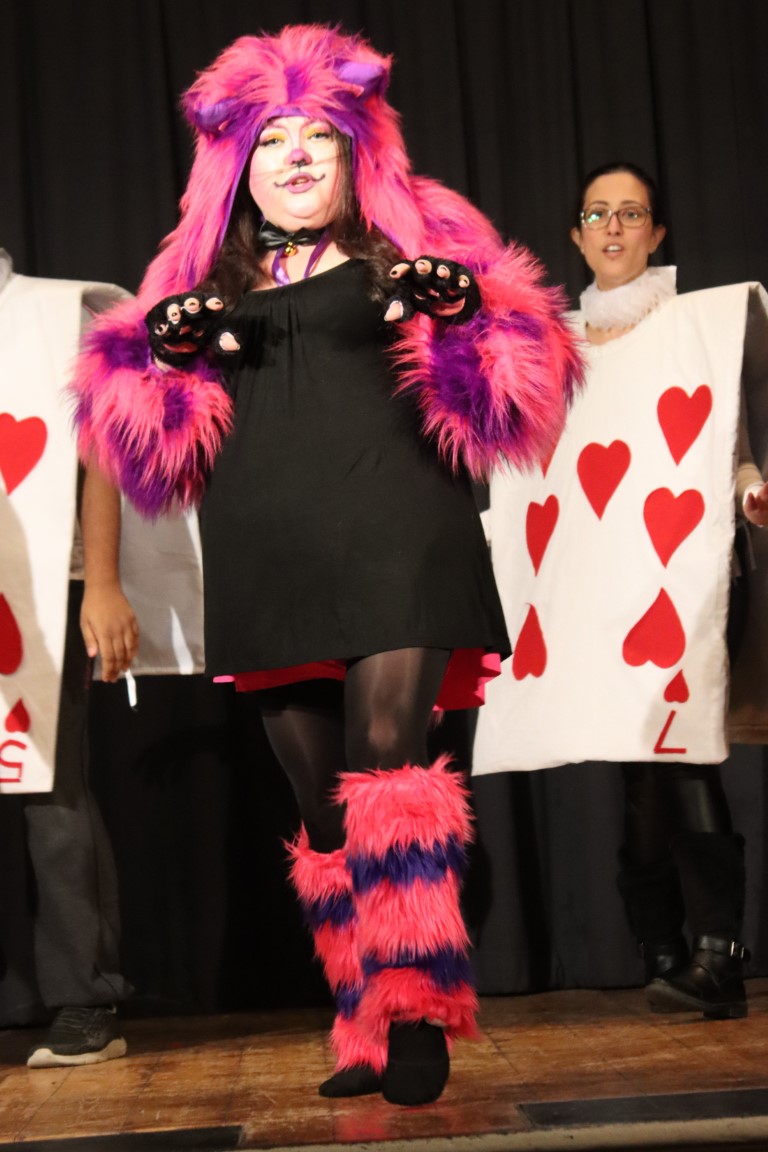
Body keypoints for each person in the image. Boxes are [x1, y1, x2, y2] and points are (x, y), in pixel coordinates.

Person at [68, 25, 582, 1106]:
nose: (295, 155)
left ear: (356, 152)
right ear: (236, 162)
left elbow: (522, 390)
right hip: (270, 549)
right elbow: (135, 448)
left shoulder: (418, 238)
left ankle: (419, 1000)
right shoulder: (194, 273)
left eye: (316, 136)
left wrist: (461, 318)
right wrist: (167, 359)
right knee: (321, 804)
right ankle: (362, 1016)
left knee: (387, 750)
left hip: (401, 531)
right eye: (272, 138)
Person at [473, 162, 768, 1021]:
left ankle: (716, 955)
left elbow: (727, 450)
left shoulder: (695, 328)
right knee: (642, 769)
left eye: (630, 213)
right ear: (576, 234)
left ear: (656, 232)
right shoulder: (545, 350)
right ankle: (663, 943)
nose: (613, 227)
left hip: (686, 577)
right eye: (598, 214)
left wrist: (751, 491)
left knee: (681, 748)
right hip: (595, 589)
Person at [0, 249, 134, 1065]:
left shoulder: (58, 313)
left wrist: (105, 582)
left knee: (50, 788)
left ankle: (87, 996)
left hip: (43, 583)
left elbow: (102, 455)